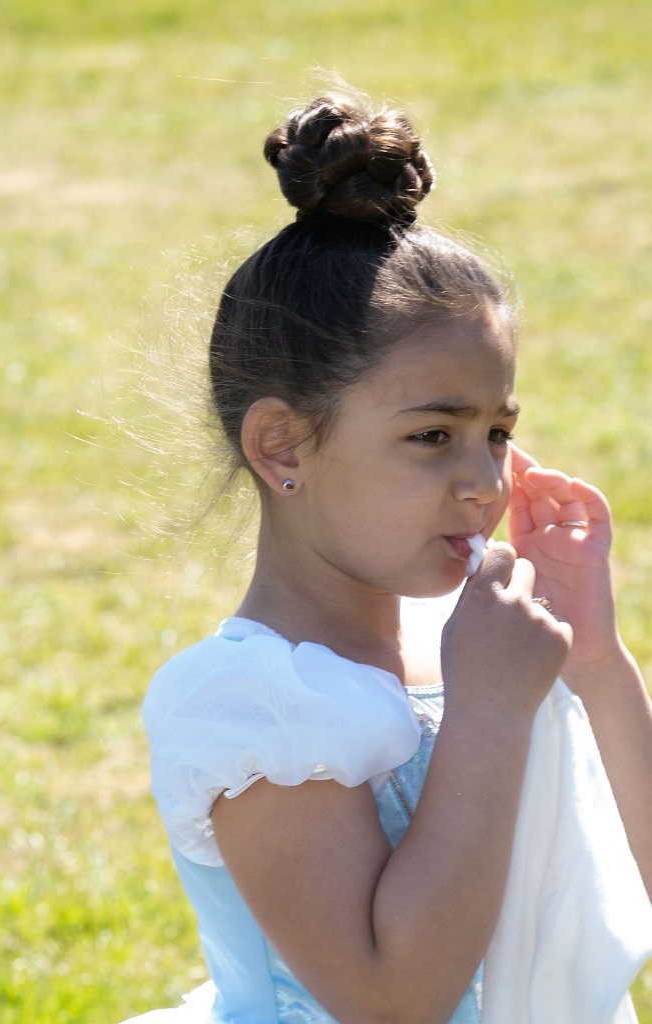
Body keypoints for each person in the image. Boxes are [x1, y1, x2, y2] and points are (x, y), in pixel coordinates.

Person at [122, 92, 652, 1024]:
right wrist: (488, 712)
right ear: (281, 446)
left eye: (496, 431)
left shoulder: (478, 644)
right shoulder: (257, 707)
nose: (484, 480)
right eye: (431, 436)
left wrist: (593, 664)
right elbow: (391, 999)